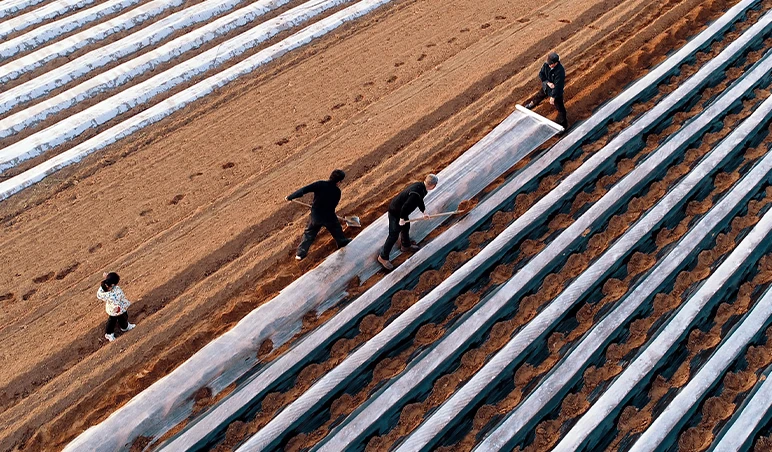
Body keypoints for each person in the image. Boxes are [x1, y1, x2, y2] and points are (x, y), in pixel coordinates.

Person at [286, 169, 352, 261]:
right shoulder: (337, 192)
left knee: (309, 234)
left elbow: (304, 189)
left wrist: (291, 196)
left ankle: (300, 254)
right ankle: (341, 241)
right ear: (339, 181)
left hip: (316, 216)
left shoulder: (320, 184)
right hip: (329, 217)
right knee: (336, 229)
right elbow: (333, 205)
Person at [378, 174, 439, 270]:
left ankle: (405, 245)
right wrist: (402, 219)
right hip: (396, 212)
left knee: (406, 227)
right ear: (433, 185)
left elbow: (420, 200)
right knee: (393, 234)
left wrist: (424, 212)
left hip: (401, 211)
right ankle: (383, 257)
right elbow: (405, 206)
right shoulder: (417, 192)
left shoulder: (421, 188)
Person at [524, 52, 568, 129]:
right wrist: (548, 83)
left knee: (561, 109)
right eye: (549, 63)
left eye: (551, 64)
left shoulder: (560, 71)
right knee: (539, 96)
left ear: (556, 63)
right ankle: (531, 104)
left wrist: (553, 97)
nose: (549, 65)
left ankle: (562, 126)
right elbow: (541, 74)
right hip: (546, 87)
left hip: (556, 92)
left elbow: (558, 86)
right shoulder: (546, 65)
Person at [97, 272, 135, 342]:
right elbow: (116, 302)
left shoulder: (103, 289)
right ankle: (110, 333)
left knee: (115, 320)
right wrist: (117, 308)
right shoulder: (114, 294)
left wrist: (107, 278)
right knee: (119, 319)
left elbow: (99, 293)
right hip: (118, 309)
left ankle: (123, 327)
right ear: (113, 284)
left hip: (112, 308)